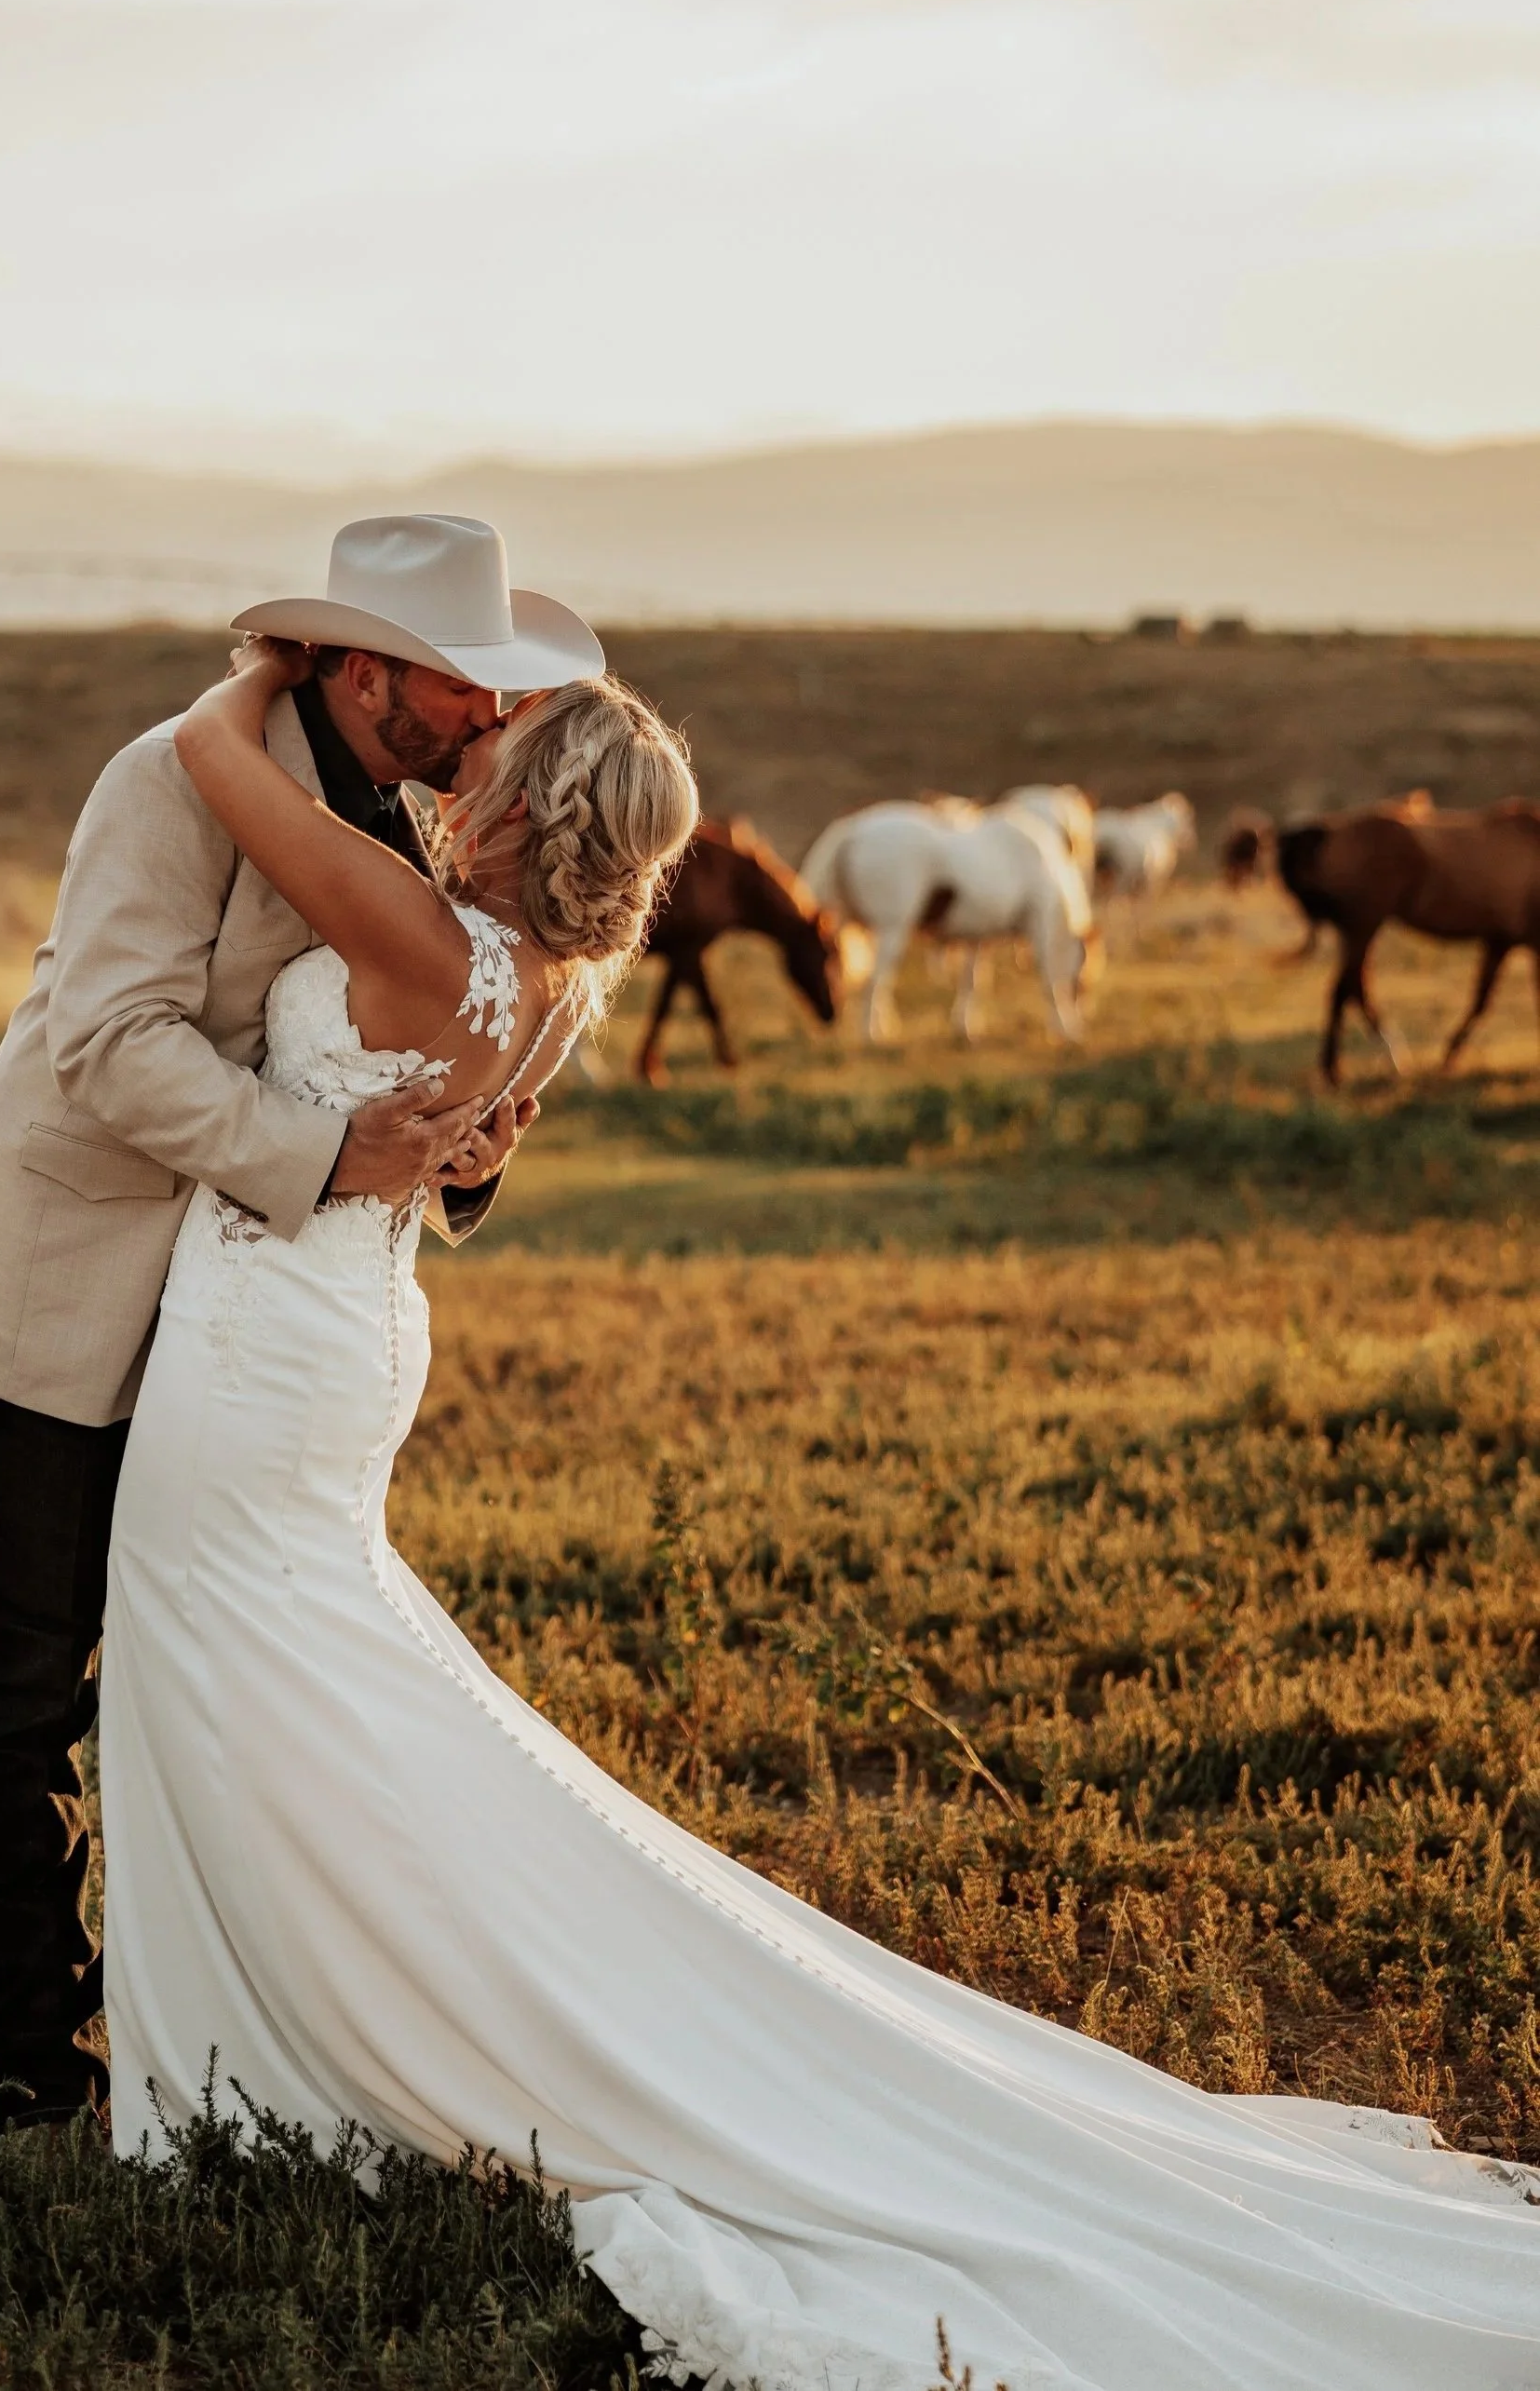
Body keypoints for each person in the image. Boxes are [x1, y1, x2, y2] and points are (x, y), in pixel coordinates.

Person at [95, 644, 1540, 2389]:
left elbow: (208, 750)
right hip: (340, 1338)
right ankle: (296, 2006)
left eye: (499, 748)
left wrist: (286, 652)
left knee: (229, 1663)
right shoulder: (551, 978)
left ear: (526, 809)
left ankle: (282, 2041)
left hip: (268, 1348)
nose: (463, 756)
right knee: (294, 1679)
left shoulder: (418, 937)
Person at [0, 512, 605, 2132]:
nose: (488, 719)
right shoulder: (170, 776)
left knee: (223, 1667)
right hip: (64, 1274)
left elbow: (409, 1031)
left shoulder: (418, 812)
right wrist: (336, 1153)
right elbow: (110, 1041)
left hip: (244, 1320)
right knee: (26, 1676)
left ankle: (245, 2011)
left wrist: (458, 1152)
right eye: (459, 686)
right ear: (361, 668)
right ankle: (30, 2062)